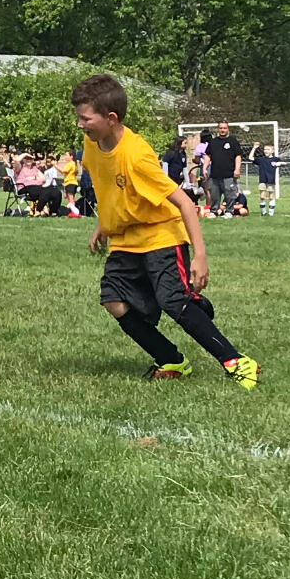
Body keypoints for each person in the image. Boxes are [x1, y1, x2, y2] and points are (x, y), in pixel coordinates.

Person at [74, 74, 262, 389]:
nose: (80, 124)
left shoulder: (136, 155)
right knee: (113, 300)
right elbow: (114, 191)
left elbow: (185, 204)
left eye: (85, 118)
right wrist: (102, 225)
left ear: (111, 118)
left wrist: (200, 256)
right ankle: (171, 359)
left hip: (160, 235)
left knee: (173, 301)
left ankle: (236, 361)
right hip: (125, 240)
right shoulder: (91, 144)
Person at [203, 123, 241, 216]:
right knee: (214, 195)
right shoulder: (213, 142)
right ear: (218, 129)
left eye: (224, 128)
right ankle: (213, 211)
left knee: (230, 194)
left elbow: (238, 156)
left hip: (229, 174)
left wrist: (237, 169)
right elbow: (208, 156)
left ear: (227, 129)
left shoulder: (233, 141)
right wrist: (204, 168)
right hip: (215, 174)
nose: (222, 130)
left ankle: (229, 211)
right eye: (221, 128)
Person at [250, 141, 280, 215]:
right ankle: (263, 212)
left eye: (268, 149)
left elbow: (284, 163)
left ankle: (271, 213)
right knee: (262, 197)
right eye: (265, 149)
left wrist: (279, 164)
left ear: (272, 151)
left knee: (271, 197)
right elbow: (250, 158)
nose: (266, 151)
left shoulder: (275, 159)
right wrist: (254, 148)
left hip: (271, 181)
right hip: (262, 180)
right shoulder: (261, 159)